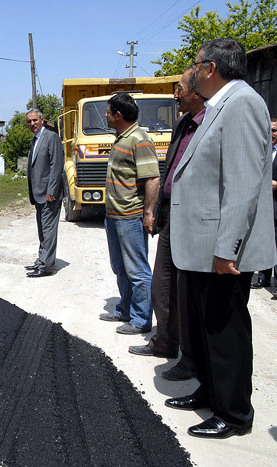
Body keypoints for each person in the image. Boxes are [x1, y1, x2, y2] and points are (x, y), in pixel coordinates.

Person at [165, 38, 276, 439]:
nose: (190, 73)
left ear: (211, 68)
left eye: (195, 65)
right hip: (202, 246)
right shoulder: (220, 106)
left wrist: (226, 246)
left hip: (221, 250)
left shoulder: (242, 103)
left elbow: (244, 184)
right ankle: (210, 394)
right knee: (205, 327)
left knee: (224, 332)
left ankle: (233, 414)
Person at [128, 69, 204, 382]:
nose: (175, 94)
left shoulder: (209, 125)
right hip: (173, 219)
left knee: (186, 295)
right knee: (163, 286)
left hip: (195, 222)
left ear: (197, 92)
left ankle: (188, 355)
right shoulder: (184, 124)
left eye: (180, 89)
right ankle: (165, 342)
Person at [98, 93, 160, 334]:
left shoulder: (139, 139)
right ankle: (125, 308)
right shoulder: (121, 137)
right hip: (113, 215)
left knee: (137, 270)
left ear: (118, 115)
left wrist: (148, 213)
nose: (106, 115)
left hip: (130, 217)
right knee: (120, 267)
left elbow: (153, 178)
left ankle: (141, 319)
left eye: (108, 111)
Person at [24, 109, 65, 278]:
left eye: (35, 120)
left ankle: (46, 267)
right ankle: (42, 260)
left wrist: (51, 191)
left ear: (42, 120)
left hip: (49, 194)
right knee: (42, 229)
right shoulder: (36, 139)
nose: (32, 124)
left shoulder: (51, 137)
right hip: (38, 193)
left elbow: (56, 165)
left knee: (48, 230)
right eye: (29, 121)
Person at [250, 116, 277, 289]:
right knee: (265, 241)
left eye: (274, 130)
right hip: (263, 204)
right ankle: (263, 276)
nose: (271, 134)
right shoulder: (261, 149)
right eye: (269, 130)